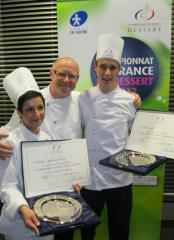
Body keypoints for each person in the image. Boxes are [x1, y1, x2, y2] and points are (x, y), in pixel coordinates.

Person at [0, 57, 141, 240]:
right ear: (52, 74)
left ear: (77, 78)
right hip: (35, 181)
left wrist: (132, 100)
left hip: (67, 182)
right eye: (62, 74)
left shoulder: (81, 99)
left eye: (72, 76)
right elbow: (7, 130)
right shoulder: (33, 99)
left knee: (66, 233)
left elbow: (107, 110)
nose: (66, 80)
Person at [79, 33, 137, 240]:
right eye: (103, 66)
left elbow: (140, 136)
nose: (107, 72)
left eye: (113, 67)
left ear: (119, 70)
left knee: (120, 231)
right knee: (87, 232)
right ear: (95, 67)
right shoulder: (82, 98)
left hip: (120, 179)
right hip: (91, 181)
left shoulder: (130, 101)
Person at [0, 67, 53, 240]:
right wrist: (22, 207)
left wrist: (69, 185)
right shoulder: (9, 142)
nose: (37, 114)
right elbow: (7, 186)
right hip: (17, 223)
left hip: (46, 216)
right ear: (19, 112)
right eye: (29, 109)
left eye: (40, 107)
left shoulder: (47, 138)